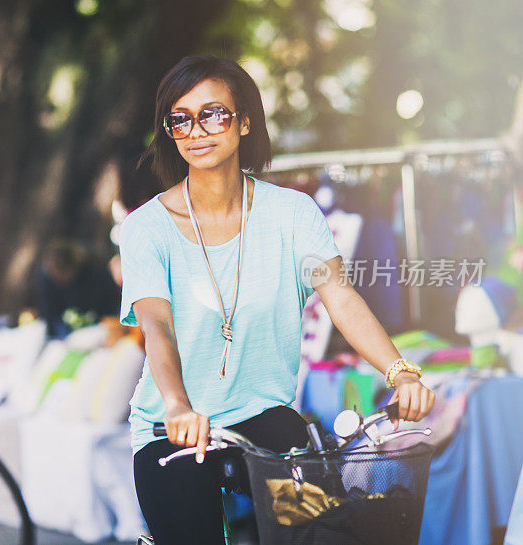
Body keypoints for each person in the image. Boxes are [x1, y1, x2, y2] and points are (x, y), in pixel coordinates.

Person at [118, 55, 436, 545]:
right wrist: (178, 406)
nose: (197, 130)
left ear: (244, 121)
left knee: (323, 532)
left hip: (264, 419)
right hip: (173, 430)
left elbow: (340, 297)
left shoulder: (291, 214)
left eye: (214, 114)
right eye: (180, 119)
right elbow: (156, 326)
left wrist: (401, 372)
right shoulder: (146, 228)